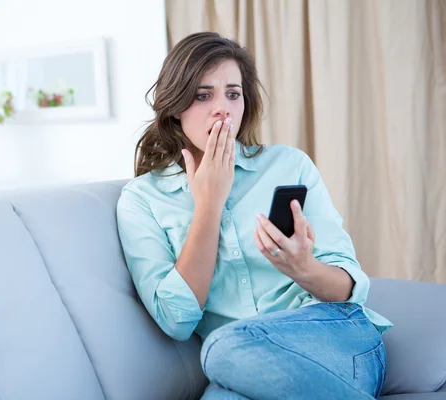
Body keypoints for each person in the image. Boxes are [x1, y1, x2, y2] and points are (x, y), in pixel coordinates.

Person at [116, 32, 393, 400]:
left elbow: (349, 290)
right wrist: (209, 205)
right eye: (203, 95)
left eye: (233, 93)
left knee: (221, 350)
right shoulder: (142, 200)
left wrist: (303, 268)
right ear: (175, 106)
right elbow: (177, 320)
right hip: (247, 365)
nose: (223, 108)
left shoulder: (288, 165)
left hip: (335, 336)